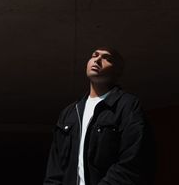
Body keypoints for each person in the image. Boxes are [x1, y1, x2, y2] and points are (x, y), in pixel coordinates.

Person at [43, 47, 155, 185]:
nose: (97, 60)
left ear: (117, 71)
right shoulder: (70, 113)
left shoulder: (127, 106)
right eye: (94, 55)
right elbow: (54, 168)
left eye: (107, 58)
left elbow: (132, 161)